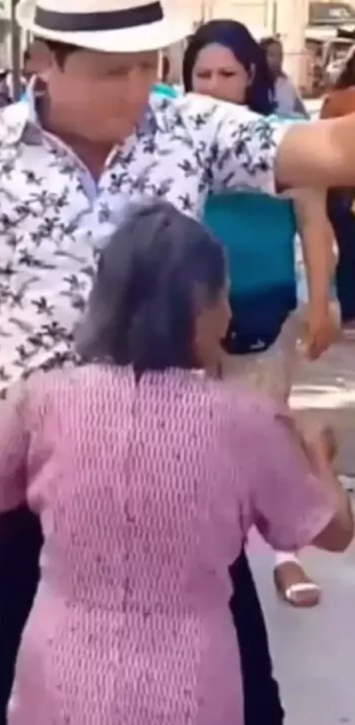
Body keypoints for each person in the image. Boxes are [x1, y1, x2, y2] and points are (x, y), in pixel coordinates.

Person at [0, 0, 355, 725]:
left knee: (254, 713)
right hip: (28, 472)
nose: (137, 88)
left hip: (178, 468)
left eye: (148, 66)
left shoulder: (190, 126)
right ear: (47, 63)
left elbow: (329, 150)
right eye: (111, 71)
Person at [184, 19, 337, 607]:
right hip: (191, 313)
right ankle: (205, 553)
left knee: (266, 433)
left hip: (266, 306)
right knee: (192, 441)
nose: (213, 85)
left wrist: (321, 302)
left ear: (250, 75)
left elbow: (313, 223)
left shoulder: (284, 140)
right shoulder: (174, 140)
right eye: (202, 74)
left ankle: (286, 554)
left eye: (226, 73)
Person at [320, 47, 355, 329]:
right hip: (344, 191)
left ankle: (348, 310)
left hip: (339, 190)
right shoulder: (339, 101)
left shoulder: (334, 101)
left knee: (347, 252)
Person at [261, 35, 307, 116]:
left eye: (280, 55)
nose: (277, 59)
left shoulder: (287, 83)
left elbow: (303, 114)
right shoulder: (251, 86)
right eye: (272, 55)